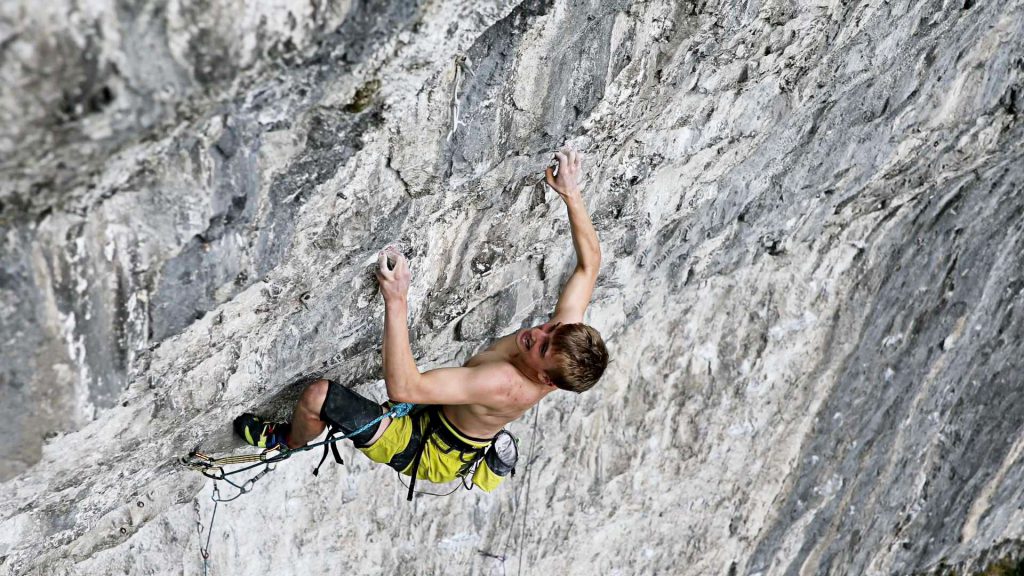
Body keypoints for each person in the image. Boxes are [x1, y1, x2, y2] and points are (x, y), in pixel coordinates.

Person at [234, 147, 609, 494]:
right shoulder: (560, 343)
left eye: (542, 346)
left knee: (319, 395)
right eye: (550, 328)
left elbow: (404, 389)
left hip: (424, 446)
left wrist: (396, 300)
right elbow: (589, 264)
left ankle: (285, 441)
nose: (537, 332)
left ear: (546, 379)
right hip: (443, 414)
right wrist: (571, 193)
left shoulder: (501, 383)